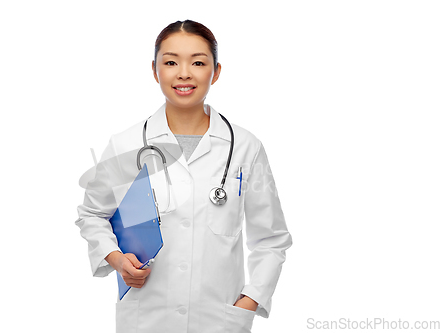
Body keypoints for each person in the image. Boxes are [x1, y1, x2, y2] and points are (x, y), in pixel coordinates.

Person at [76, 19, 292, 333]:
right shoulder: (126, 144)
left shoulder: (245, 147)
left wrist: (250, 300)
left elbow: (272, 239)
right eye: (171, 62)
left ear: (216, 72)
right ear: (154, 70)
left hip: (220, 320)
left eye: (198, 62)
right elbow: (93, 213)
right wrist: (116, 258)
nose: (184, 73)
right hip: (146, 319)